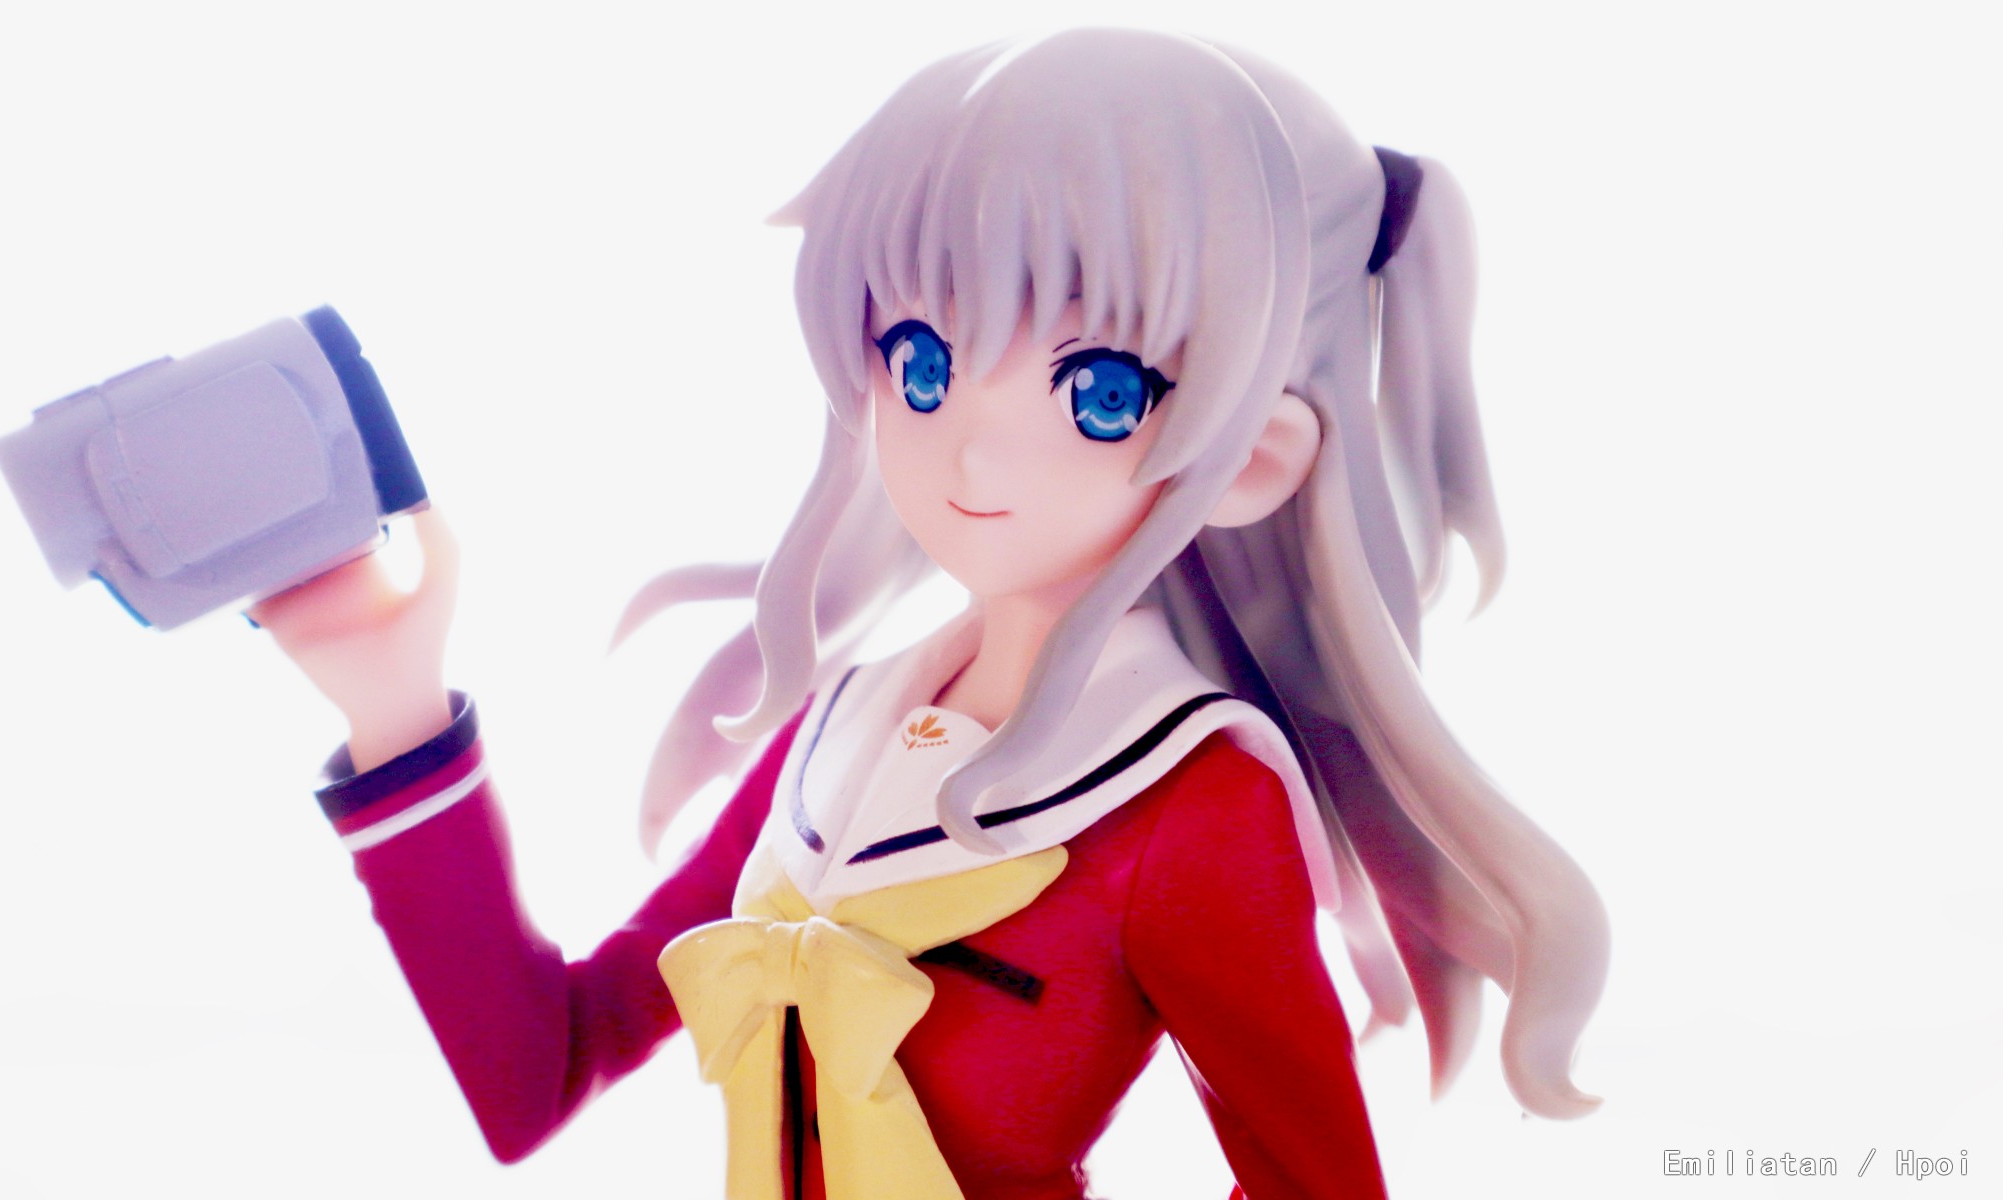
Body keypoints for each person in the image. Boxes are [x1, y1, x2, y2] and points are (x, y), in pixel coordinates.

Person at [253, 29, 1607, 1200]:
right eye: (922, 358)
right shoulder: (840, 740)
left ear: (1251, 458)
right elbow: (539, 1069)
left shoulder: (1191, 810)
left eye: (1098, 391)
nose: (968, 446)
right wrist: (394, 707)